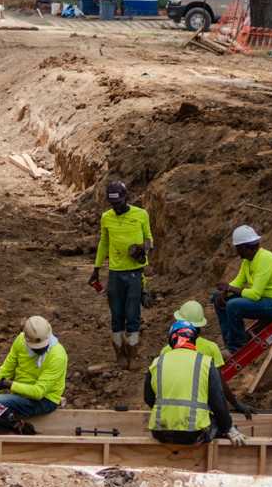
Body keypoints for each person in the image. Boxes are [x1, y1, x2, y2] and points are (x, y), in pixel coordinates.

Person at [90, 180, 154, 363]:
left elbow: (149, 239)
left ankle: (133, 353)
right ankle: (119, 353)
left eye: (119, 203)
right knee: (116, 314)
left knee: (133, 314)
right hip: (115, 273)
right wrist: (96, 268)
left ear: (126, 198)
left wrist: (143, 248)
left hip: (134, 272)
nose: (116, 207)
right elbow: (104, 243)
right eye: (113, 204)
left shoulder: (141, 214)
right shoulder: (106, 217)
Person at [145, 320, 233, 447]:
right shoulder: (205, 362)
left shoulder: (157, 362)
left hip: (160, 432)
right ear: (193, 340)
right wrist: (227, 427)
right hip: (193, 434)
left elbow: (148, 398)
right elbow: (218, 403)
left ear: (172, 340)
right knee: (218, 422)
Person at [0, 315, 68, 434]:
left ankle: (21, 431)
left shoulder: (57, 356)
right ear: (26, 339)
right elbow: (7, 368)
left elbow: (38, 392)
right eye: (36, 348)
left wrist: (7, 385)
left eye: (42, 347)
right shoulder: (20, 341)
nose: (40, 350)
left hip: (45, 400)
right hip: (22, 394)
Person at [213, 225, 272, 351]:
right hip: (266, 299)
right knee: (217, 298)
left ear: (244, 247)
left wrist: (229, 288)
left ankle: (237, 346)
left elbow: (255, 294)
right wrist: (224, 292)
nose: (236, 251)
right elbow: (238, 281)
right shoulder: (248, 261)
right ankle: (230, 342)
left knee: (233, 305)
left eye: (237, 248)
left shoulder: (265, 259)